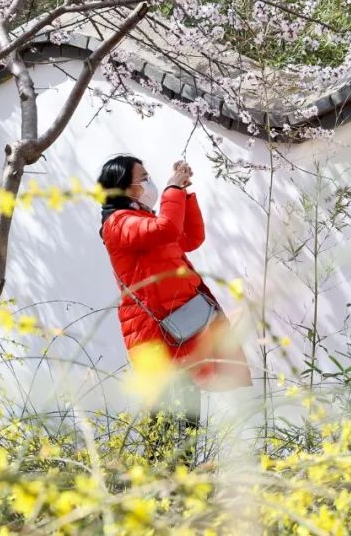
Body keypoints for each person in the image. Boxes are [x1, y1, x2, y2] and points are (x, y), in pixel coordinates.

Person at [97, 154, 252, 461]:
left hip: (179, 326)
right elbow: (167, 229)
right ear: (124, 187)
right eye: (143, 178)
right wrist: (172, 189)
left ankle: (182, 479)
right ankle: (160, 480)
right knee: (165, 413)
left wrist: (183, 193)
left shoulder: (145, 219)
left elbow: (191, 238)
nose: (149, 182)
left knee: (188, 410)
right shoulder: (118, 224)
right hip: (154, 332)